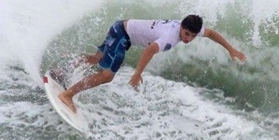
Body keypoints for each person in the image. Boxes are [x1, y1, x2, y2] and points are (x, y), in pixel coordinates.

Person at [58, 15, 246, 113]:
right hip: (123, 35)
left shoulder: (188, 29)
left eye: (193, 36)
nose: (188, 39)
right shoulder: (170, 37)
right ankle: (67, 95)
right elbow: (149, 50)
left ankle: (63, 69)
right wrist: (137, 73)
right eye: (187, 34)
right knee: (106, 76)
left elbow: (211, 33)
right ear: (181, 27)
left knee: (96, 58)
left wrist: (231, 49)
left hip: (120, 26)